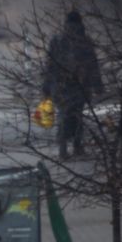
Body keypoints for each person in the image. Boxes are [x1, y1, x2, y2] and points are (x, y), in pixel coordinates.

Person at [43, 10, 101, 158]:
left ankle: (63, 148)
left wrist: (47, 86)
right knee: (77, 116)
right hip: (80, 87)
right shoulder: (85, 41)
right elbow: (93, 65)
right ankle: (77, 146)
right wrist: (98, 85)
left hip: (60, 86)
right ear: (81, 23)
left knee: (63, 115)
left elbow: (50, 64)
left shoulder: (57, 40)